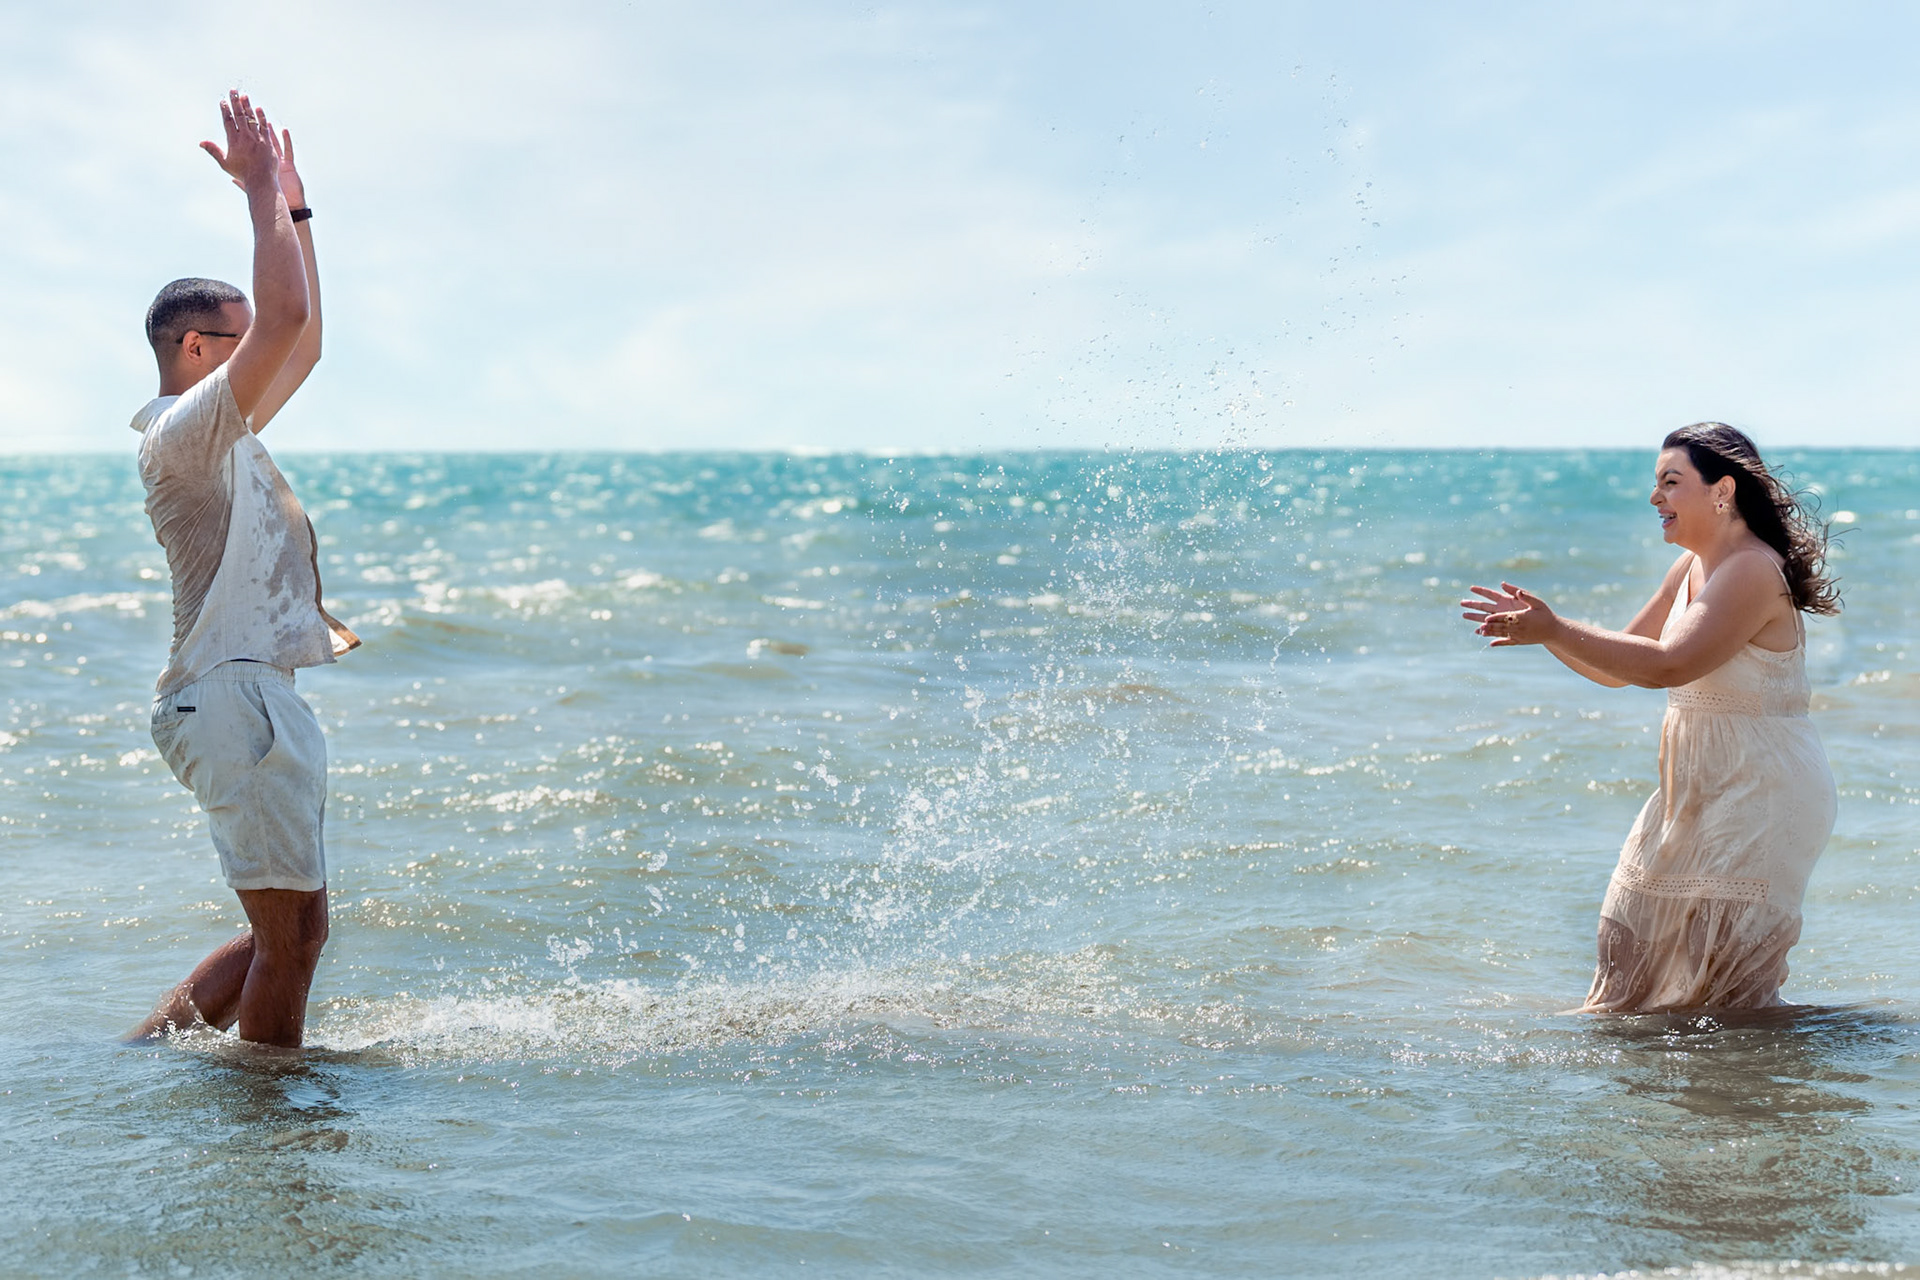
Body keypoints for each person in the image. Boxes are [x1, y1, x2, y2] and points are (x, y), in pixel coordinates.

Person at [124, 91, 358, 1048]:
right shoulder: (183, 433)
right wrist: (261, 192)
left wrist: (295, 213)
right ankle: (268, 1115)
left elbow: (303, 337)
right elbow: (291, 318)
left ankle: (142, 1057)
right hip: (228, 697)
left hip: (243, 695)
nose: (263, 346)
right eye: (241, 333)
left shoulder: (216, 429)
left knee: (290, 929)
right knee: (291, 936)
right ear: (195, 349)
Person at [1461, 424, 1840, 1012]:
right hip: (1694, 786)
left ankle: (1764, 1094)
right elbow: (1618, 670)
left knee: (1723, 997)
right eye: (1655, 484)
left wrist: (1556, 628)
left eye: (1671, 482)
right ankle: (1630, 1097)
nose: (1655, 498)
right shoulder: (1690, 568)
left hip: (1764, 788)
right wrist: (1544, 634)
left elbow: (1669, 666)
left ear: (1723, 491)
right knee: (1625, 954)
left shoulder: (1750, 569)